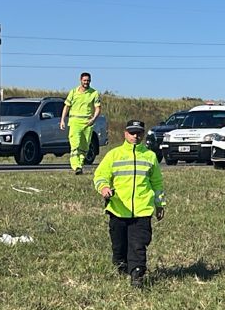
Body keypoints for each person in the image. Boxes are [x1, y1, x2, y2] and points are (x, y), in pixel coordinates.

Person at [95, 120, 165, 289]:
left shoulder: (150, 156)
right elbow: (100, 175)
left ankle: (137, 275)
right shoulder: (114, 155)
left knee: (138, 245)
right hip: (118, 209)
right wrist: (104, 188)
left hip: (142, 210)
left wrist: (160, 204)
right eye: (132, 133)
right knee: (119, 246)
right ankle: (121, 264)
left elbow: (157, 183)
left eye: (139, 133)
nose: (136, 136)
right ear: (125, 133)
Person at [60, 72, 102, 175]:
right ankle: (76, 166)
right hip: (75, 121)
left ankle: (80, 164)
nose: (86, 82)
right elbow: (67, 106)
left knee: (84, 146)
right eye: (84, 80)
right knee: (75, 144)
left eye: (88, 80)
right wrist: (62, 120)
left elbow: (98, 108)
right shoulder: (73, 92)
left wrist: (94, 119)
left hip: (87, 122)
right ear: (80, 80)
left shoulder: (94, 93)